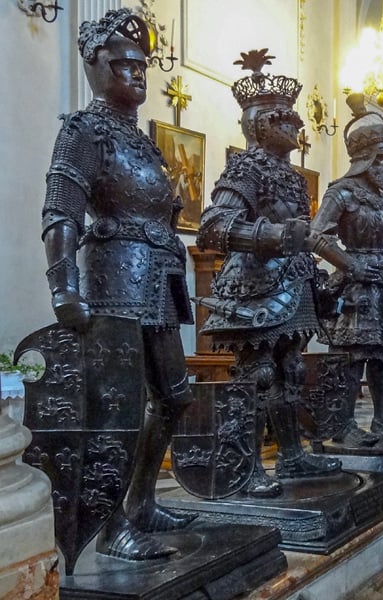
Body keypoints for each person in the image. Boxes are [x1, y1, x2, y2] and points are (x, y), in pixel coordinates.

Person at [41, 8, 195, 560]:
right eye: (123, 64)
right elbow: (62, 211)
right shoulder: (83, 130)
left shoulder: (144, 142)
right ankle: (108, 529)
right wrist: (64, 286)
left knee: (175, 396)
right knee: (118, 409)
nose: (137, 74)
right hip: (113, 280)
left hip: (156, 278)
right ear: (96, 65)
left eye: (142, 65)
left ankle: (143, 502)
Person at [196, 49, 343, 496]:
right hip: (254, 282)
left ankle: (293, 456)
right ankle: (247, 466)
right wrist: (271, 237)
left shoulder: (295, 177)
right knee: (256, 376)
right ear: (261, 125)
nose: (296, 129)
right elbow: (214, 226)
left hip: (293, 281)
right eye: (286, 121)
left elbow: (303, 231)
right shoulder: (246, 165)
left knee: (292, 370)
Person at [309, 96, 383, 442]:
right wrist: (351, 264)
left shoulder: (380, 198)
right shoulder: (342, 193)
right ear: (364, 157)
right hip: (358, 283)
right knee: (352, 355)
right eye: (381, 160)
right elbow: (316, 236)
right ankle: (343, 426)